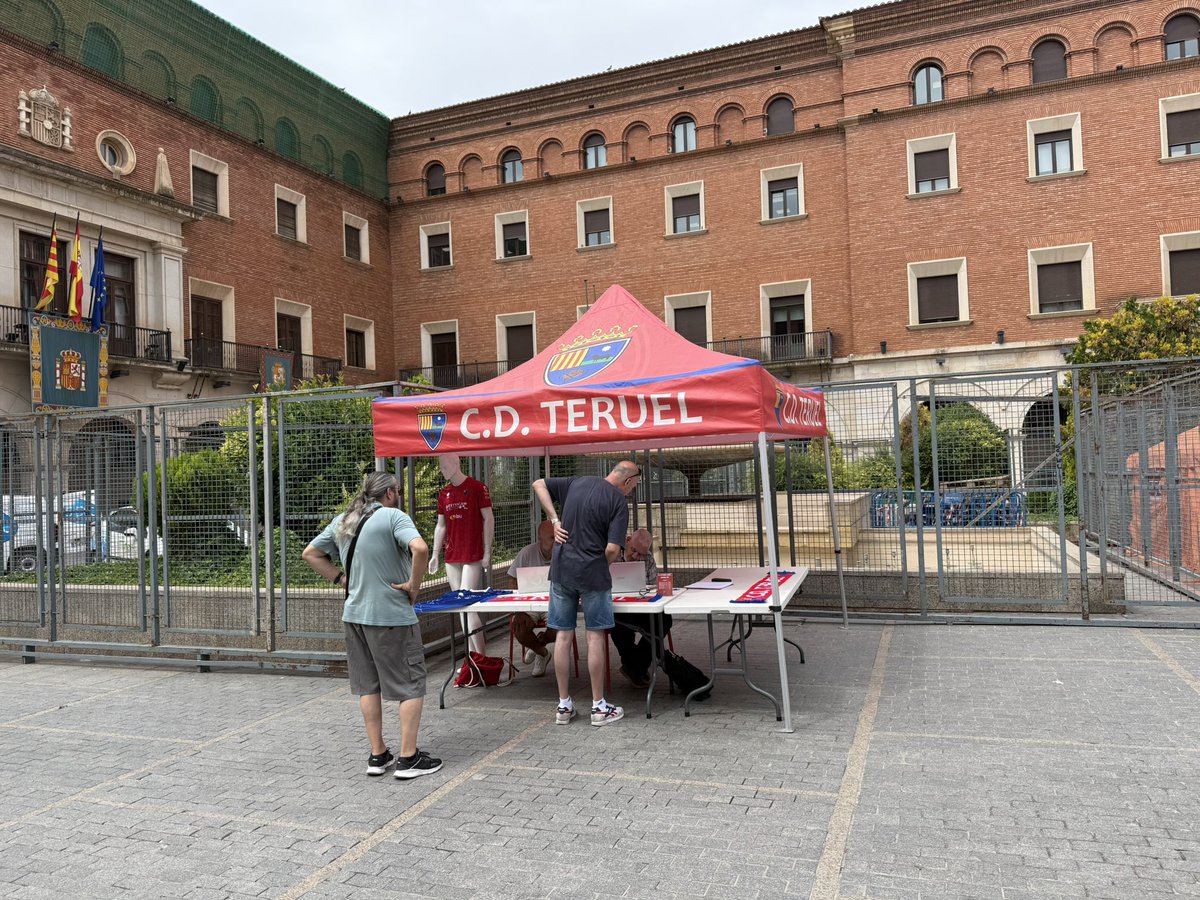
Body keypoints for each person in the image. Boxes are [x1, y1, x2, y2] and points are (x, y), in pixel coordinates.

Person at [302, 472, 442, 780]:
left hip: (354, 616)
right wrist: (414, 585)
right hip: (392, 617)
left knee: (368, 686)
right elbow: (420, 549)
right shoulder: (394, 516)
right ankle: (408, 759)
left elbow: (310, 553)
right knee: (411, 685)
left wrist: (340, 579)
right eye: (399, 490)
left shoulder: (344, 520)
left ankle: (378, 755)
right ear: (391, 492)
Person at [532, 460, 641, 727]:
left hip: (561, 571)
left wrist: (554, 518)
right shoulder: (617, 501)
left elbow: (538, 483)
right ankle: (598, 707)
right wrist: (596, 564)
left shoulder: (577, 482)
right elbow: (614, 549)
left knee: (563, 636)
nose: (632, 490)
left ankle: (564, 705)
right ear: (627, 481)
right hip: (593, 575)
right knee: (594, 637)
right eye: (635, 485)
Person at [428, 454, 493, 655]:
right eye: (440, 465)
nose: (442, 469)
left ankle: (481, 658)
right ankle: (472, 658)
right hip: (452, 555)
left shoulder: (477, 487)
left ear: (456, 463)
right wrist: (435, 554)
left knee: (468, 604)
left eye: (445, 464)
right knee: (460, 607)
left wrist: (487, 551)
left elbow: (488, 519)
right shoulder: (444, 493)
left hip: (472, 554)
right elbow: (441, 526)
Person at [610, 528, 674, 689]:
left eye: (642, 554)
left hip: (641, 606)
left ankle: (634, 667)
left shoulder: (648, 559)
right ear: (628, 540)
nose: (637, 556)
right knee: (619, 626)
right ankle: (635, 667)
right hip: (616, 607)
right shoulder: (612, 553)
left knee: (664, 619)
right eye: (634, 551)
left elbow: (653, 586)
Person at [507, 519, 556, 677]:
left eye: (558, 537)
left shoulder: (566, 553)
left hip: (555, 603)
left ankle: (537, 645)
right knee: (519, 627)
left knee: (562, 627)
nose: (556, 541)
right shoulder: (526, 553)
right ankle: (542, 653)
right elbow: (512, 581)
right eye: (551, 538)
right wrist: (520, 607)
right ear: (540, 539)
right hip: (531, 603)